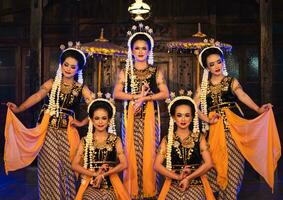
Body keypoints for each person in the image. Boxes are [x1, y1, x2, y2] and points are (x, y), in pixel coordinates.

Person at [5, 45, 95, 200]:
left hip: (68, 134)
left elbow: (96, 108)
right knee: (51, 168)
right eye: (66, 65)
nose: (68, 69)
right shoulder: (51, 83)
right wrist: (19, 109)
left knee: (67, 167)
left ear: (78, 69)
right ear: (61, 65)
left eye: (73, 67)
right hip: (48, 133)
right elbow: (36, 97)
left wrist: (82, 123)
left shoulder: (82, 89)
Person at [194, 46, 281, 199]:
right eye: (212, 64)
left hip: (235, 132)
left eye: (218, 62)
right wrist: (206, 118)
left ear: (223, 62)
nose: (216, 66)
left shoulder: (231, 81)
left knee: (235, 169)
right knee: (214, 168)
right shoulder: (203, 87)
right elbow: (192, 107)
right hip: (214, 134)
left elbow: (242, 95)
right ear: (206, 67)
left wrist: (258, 109)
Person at [113, 23, 169, 199]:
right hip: (130, 116)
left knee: (150, 151)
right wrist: (136, 97)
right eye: (136, 48)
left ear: (149, 50)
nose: (140, 51)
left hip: (150, 116)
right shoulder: (125, 71)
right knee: (130, 152)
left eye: (144, 48)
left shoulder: (155, 71)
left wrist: (145, 98)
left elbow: (165, 93)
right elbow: (116, 93)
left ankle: (149, 190)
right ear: (131, 50)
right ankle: (131, 190)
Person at [154, 94, 215, 200]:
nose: (183, 119)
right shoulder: (167, 139)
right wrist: (178, 177)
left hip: (196, 183)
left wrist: (189, 178)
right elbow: (157, 166)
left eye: (187, 115)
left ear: (192, 118)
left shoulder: (199, 138)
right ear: (173, 117)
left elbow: (209, 163)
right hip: (174, 184)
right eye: (179, 115)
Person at [72, 97, 130, 200]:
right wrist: (94, 174)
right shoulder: (85, 140)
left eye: (104, 118)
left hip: (111, 185)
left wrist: (103, 175)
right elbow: (75, 165)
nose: (100, 122)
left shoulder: (115, 140)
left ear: (109, 120)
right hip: (90, 184)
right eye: (96, 118)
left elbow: (124, 164)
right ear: (92, 120)